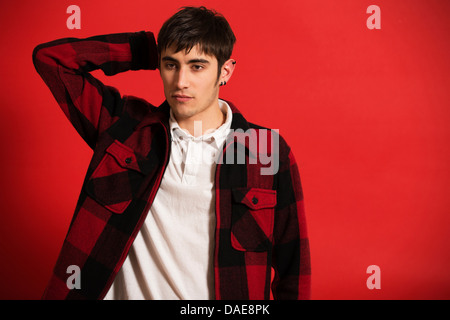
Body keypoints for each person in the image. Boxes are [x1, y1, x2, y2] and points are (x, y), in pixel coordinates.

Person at [33, 6, 310, 300]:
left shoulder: (265, 151)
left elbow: (294, 268)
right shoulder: (124, 127)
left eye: (197, 66)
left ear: (225, 71)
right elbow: (51, 60)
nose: (180, 82)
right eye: (171, 64)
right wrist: (141, 50)